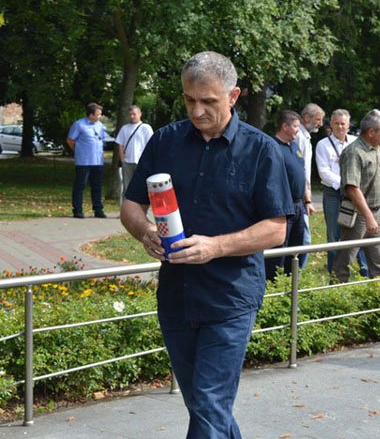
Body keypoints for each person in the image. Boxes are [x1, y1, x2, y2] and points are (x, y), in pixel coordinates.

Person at [120, 51, 293, 438]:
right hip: (177, 296)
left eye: (208, 101)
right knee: (203, 405)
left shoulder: (261, 149)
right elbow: (130, 206)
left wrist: (215, 247)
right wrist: (145, 231)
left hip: (230, 298)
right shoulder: (165, 141)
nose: (197, 111)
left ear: (234, 96)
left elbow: (276, 229)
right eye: (189, 99)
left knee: (209, 403)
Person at [332, 109, 380, 282]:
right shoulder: (354, 152)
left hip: (376, 213)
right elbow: (352, 188)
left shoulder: (378, 150)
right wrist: (368, 216)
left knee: (379, 262)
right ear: (371, 132)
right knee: (345, 261)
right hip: (358, 215)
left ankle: (379, 296)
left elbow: (379, 181)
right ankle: (335, 293)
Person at [265, 110, 311, 281]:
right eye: (296, 126)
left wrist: (307, 200)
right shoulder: (271, 146)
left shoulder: (295, 146)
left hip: (298, 205)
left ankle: (292, 284)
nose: (298, 130)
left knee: (296, 246)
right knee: (279, 248)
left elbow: (301, 172)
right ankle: (274, 283)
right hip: (283, 206)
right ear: (285, 126)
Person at [315, 108, 358, 272]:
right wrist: (346, 184)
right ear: (331, 125)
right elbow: (324, 172)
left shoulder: (355, 142)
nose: (340, 127)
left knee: (355, 230)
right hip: (333, 193)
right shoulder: (323, 145)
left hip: (353, 192)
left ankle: (357, 269)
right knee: (334, 233)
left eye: (343, 124)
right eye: (337, 123)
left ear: (348, 125)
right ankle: (334, 271)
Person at [67, 102, 107, 219]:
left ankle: (98, 209)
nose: (100, 116)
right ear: (91, 115)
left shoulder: (99, 125)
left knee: (97, 186)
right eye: (98, 114)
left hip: (98, 161)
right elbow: (70, 140)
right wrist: (78, 151)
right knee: (80, 186)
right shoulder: (79, 125)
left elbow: (101, 139)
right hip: (84, 161)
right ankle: (78, 210)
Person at [295, 103, 323, 267]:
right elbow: (299, 169)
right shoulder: (299, 136)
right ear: (306, 118)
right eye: (318, 119)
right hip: (300, 194)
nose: (321, 123)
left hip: (302, 192)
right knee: (304, 239)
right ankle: (296, 272)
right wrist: (307, 199)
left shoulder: (305, 137)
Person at [115, 105, 153, 199]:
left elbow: (150, 145)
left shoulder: (146, 128)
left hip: (141, 162)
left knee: (142, 187)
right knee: (127, 187)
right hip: (127, 162)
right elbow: (120, 144)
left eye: (134, 114)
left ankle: (141, 206)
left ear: (140, 114)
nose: (132, 116)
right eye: (130, 114)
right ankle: (126, 206)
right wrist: (122, 160)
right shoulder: (125, 128)